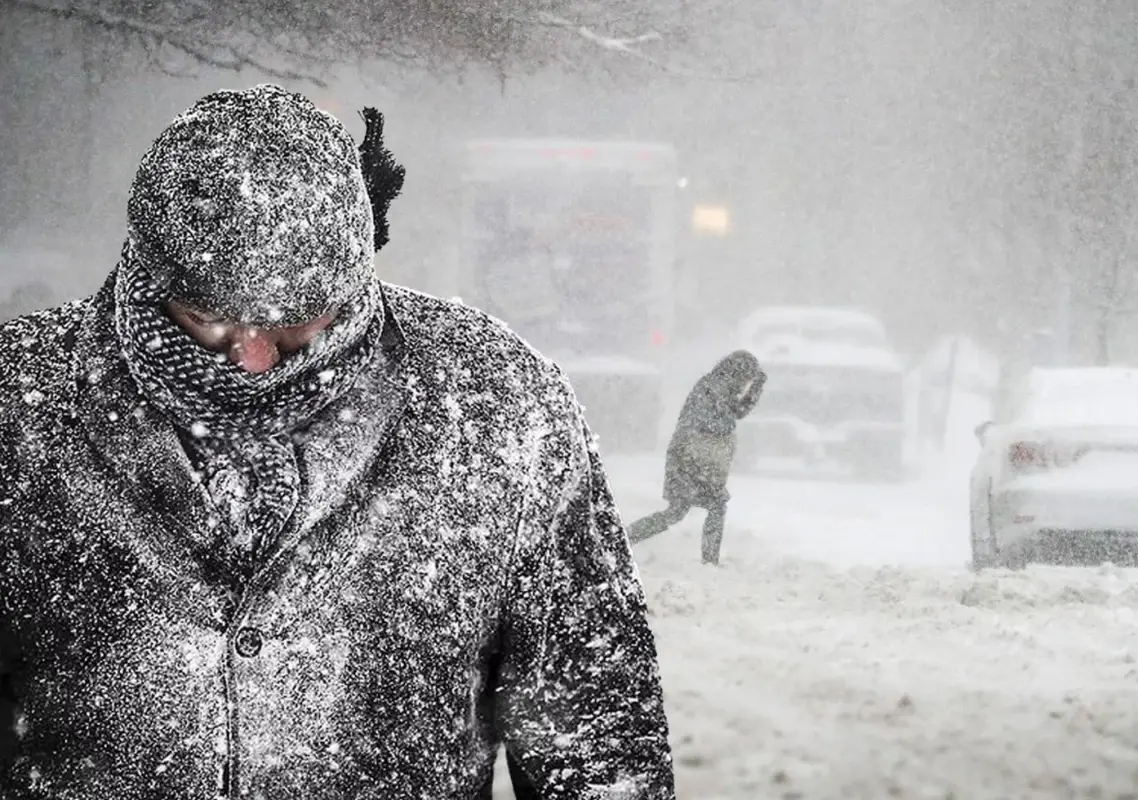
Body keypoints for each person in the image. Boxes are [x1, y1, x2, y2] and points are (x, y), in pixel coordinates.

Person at [0, 85, 674, 799]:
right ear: (148, 274)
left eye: (300, 321)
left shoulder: (497, 405)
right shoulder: (19, 406)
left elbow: (595, 734)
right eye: (207, 318)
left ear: (358, 274)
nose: (255, 357)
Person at [626, 350, 766, 565]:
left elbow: (736, 412)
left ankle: (626, 538)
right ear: (738, 372)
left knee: (691, 509)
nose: (746, 383)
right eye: (747, 378)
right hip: (688, 461)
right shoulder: (712, 387)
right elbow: (722, 420)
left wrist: (755, 390)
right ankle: (625, 538)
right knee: (687, 510)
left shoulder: (720, 387)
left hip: (697, 460)